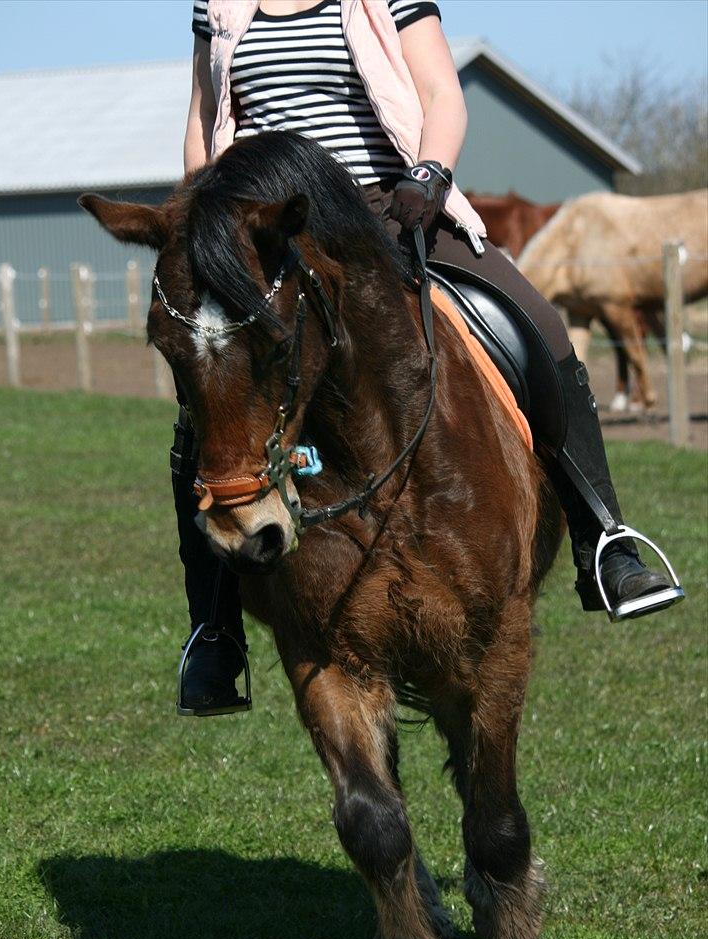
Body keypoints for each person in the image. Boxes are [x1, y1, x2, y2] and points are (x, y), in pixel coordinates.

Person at [175, 0, 682, 715]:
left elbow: (443, 93)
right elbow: (203, 126)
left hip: (385, 207)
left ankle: (607, 541)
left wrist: (429, 176)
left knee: (536, 323)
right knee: (203, 405)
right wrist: (206, 225)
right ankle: (215, 630)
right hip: (263, 240)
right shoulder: (216, 7)